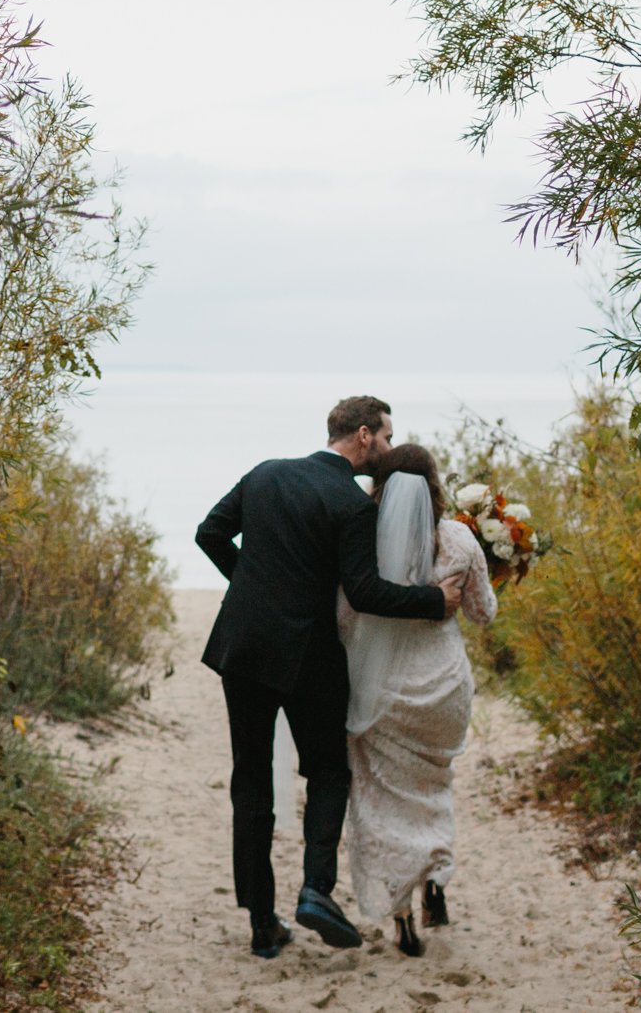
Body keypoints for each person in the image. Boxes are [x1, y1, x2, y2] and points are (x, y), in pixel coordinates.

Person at [195, 396, 470, 959]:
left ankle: (261, 923)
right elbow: (366, 592)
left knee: (250, 782)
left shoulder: (265, 473)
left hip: (242, 647)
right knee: (327, 770)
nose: (390, 448)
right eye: (388, 437)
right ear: (365, 436)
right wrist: (432, 600)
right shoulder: (352, 504)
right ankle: (316, 890)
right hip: (308, 657)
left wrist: (251, 588)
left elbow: (209, 534)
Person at [338, 442, 498, 957]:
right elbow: (484, 613)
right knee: (435, 785)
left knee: (381, 800)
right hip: (444, 688)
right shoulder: (458, 539)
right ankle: (437, 874)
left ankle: (402, 914)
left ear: (379, 488)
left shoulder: (362, 545)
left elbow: (345, 620)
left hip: (383, 693)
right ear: (434, 486)